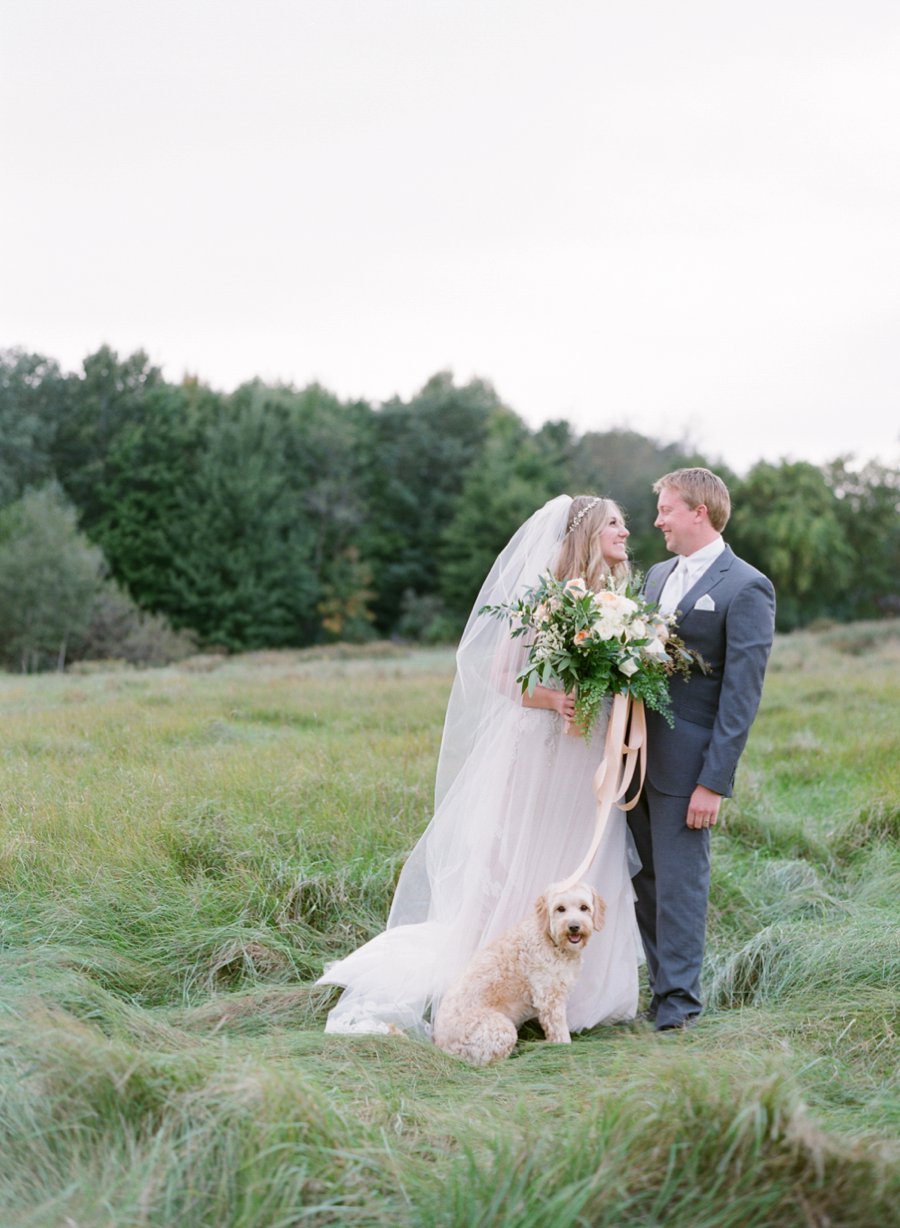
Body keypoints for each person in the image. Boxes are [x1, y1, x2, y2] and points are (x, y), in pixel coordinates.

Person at [318, 494, 642, 1037]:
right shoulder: (543, 598)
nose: (625, 532)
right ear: (586, 533)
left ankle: (579, 996)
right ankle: (505, 985)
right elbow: (500, 673)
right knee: (522, 856)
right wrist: (552, 700)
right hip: (543, 749)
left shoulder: (619, 601)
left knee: (584, 855)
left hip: (590, 755)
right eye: (614, 523)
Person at [627, 468, 775, 1032]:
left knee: (681, 887)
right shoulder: (657, 575)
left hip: (690, 770)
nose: (658, 519)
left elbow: (741, 697)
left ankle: (679, 1011)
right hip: (636, 757)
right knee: (645, 881)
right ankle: (660, 994)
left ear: (699, 512)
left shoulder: (747, 586)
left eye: (666, 508)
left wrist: (714, 781)